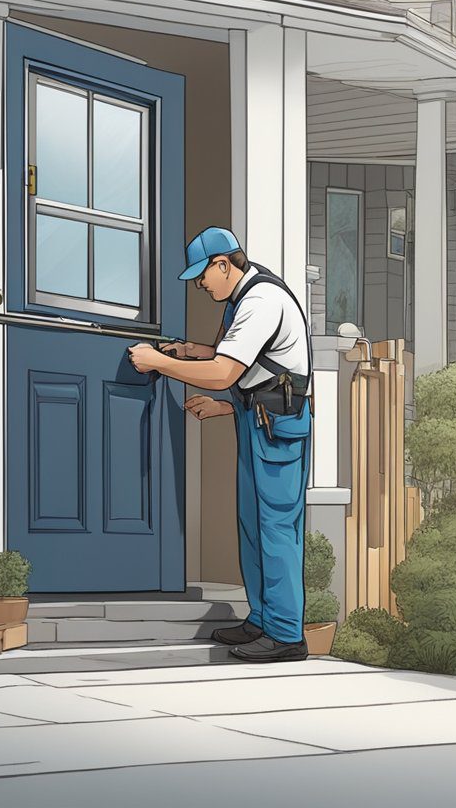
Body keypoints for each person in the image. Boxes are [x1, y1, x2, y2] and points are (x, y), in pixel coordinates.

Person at [128, 226, 312, 662]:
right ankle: (263, 620)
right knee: (251, 523)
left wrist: (158, 362)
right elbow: (258, 365)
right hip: (257, 418)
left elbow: (227, 372)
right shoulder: (242, 298)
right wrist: (193, 353)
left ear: (224, 264)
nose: (200, 284)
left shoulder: (261, 301)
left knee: (276, 528)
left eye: (203, 275)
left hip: (277, 428)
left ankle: (287, 635)